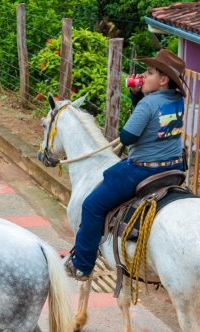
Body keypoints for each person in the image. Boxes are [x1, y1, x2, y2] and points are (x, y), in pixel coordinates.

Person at [65, 49, 187, 281]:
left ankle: (82, 264)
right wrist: (137, 96)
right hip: (173, 168)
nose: (142, 75)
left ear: (163, 80)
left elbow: (128, 137)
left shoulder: (148, 103)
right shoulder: (177, 99)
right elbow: (154, 124)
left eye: (149, 72)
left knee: (91, 205)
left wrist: (139, 101)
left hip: (144, 168)